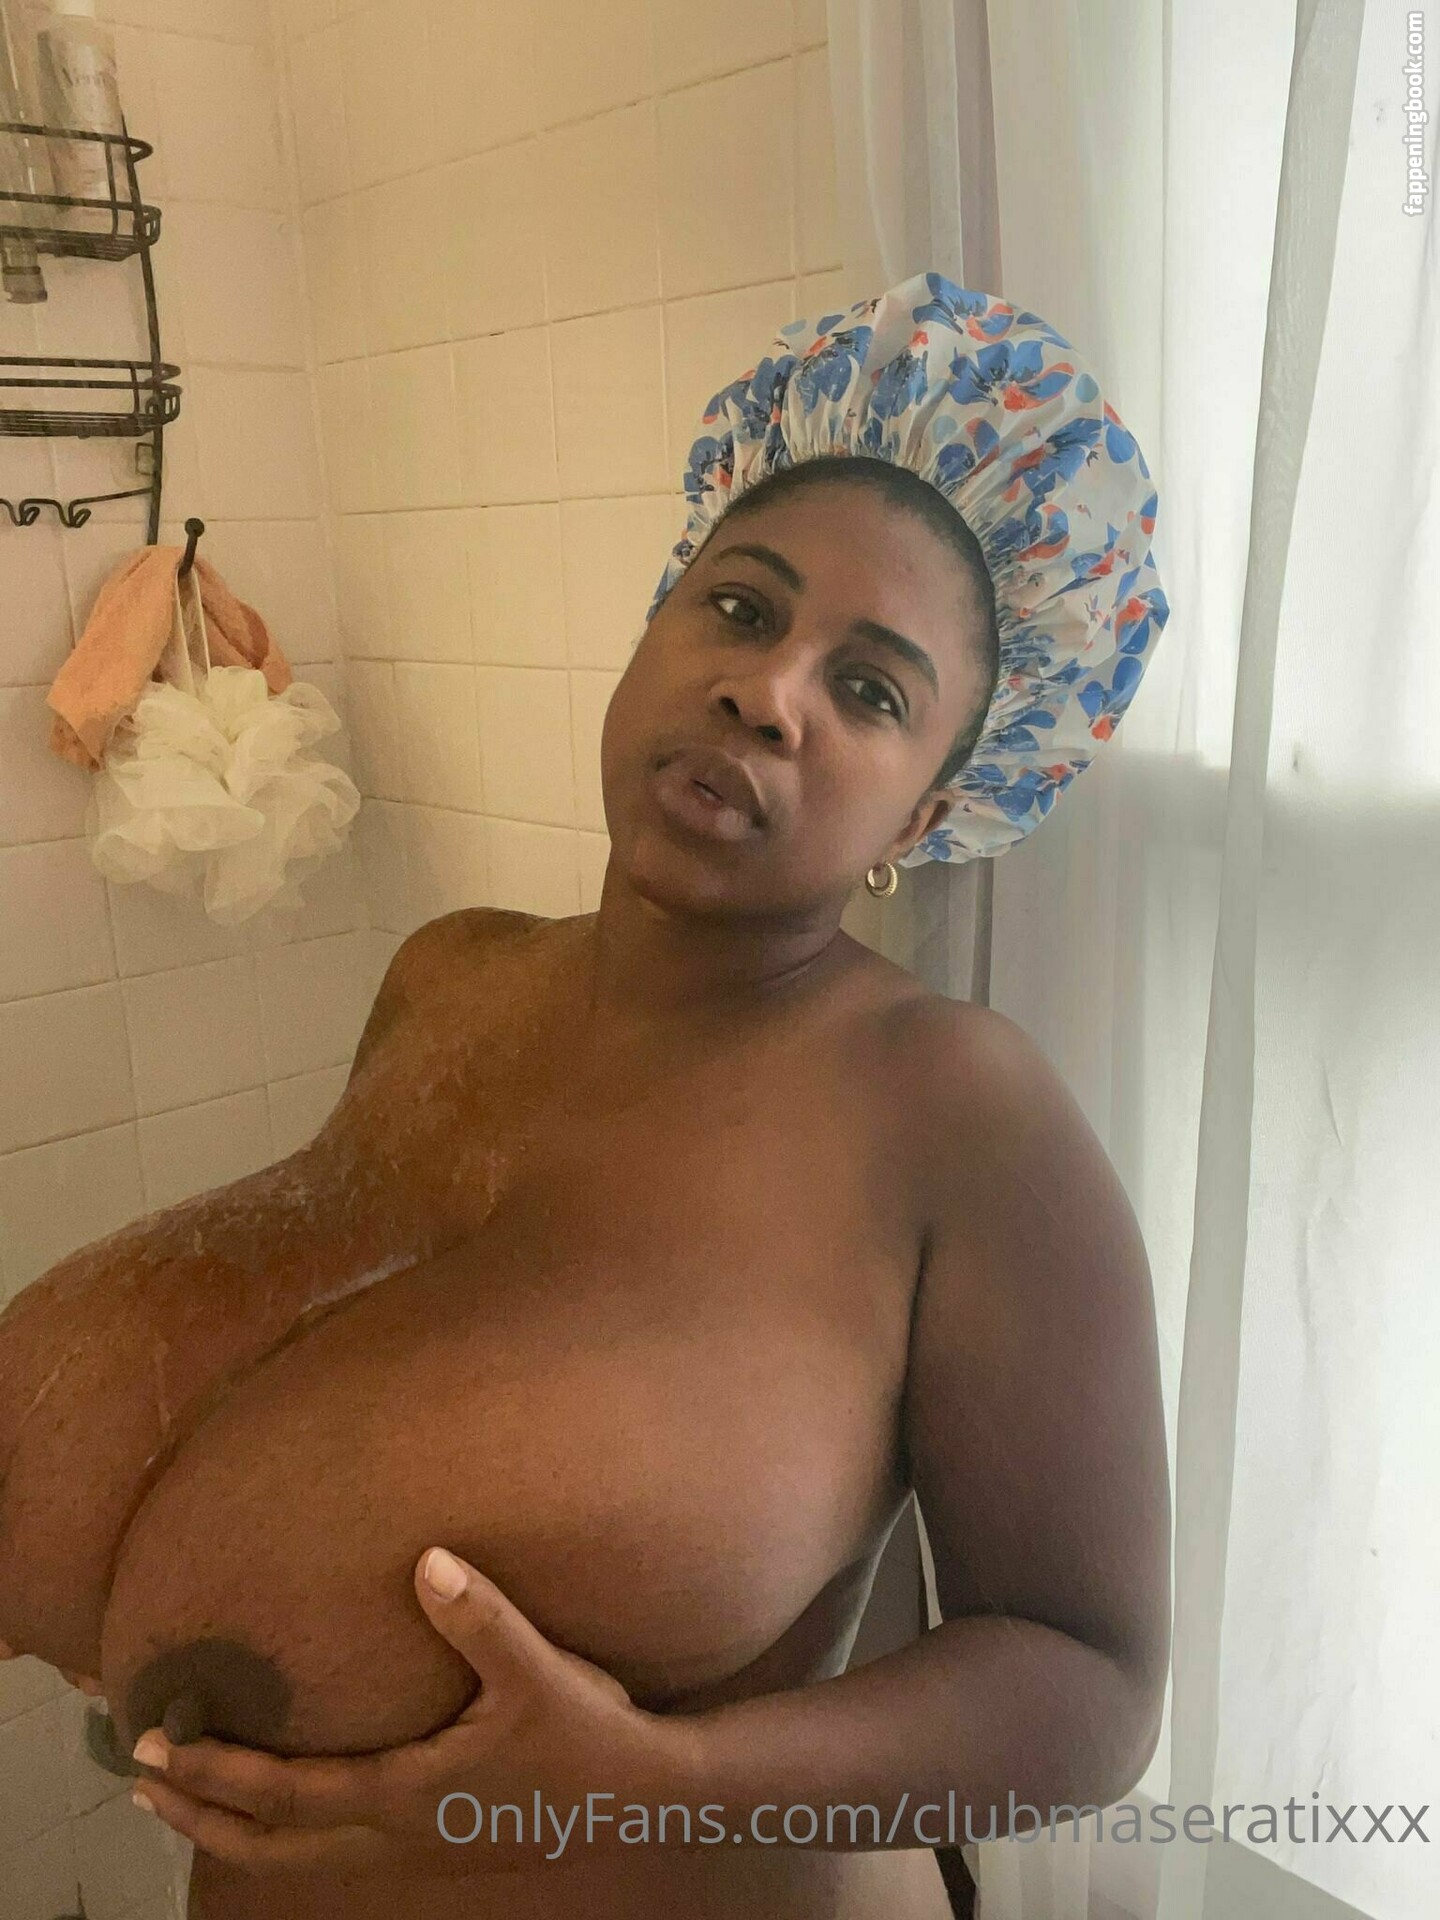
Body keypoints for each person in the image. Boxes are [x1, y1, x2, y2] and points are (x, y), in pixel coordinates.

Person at [0, 273, 1173, 1920]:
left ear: (929, 813)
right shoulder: (447, 976)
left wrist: (657, 1782)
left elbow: (1091, 1683)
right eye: (741, 608)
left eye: (871, 690)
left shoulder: (961, 1115)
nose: (768, 692)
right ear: (654, 625)